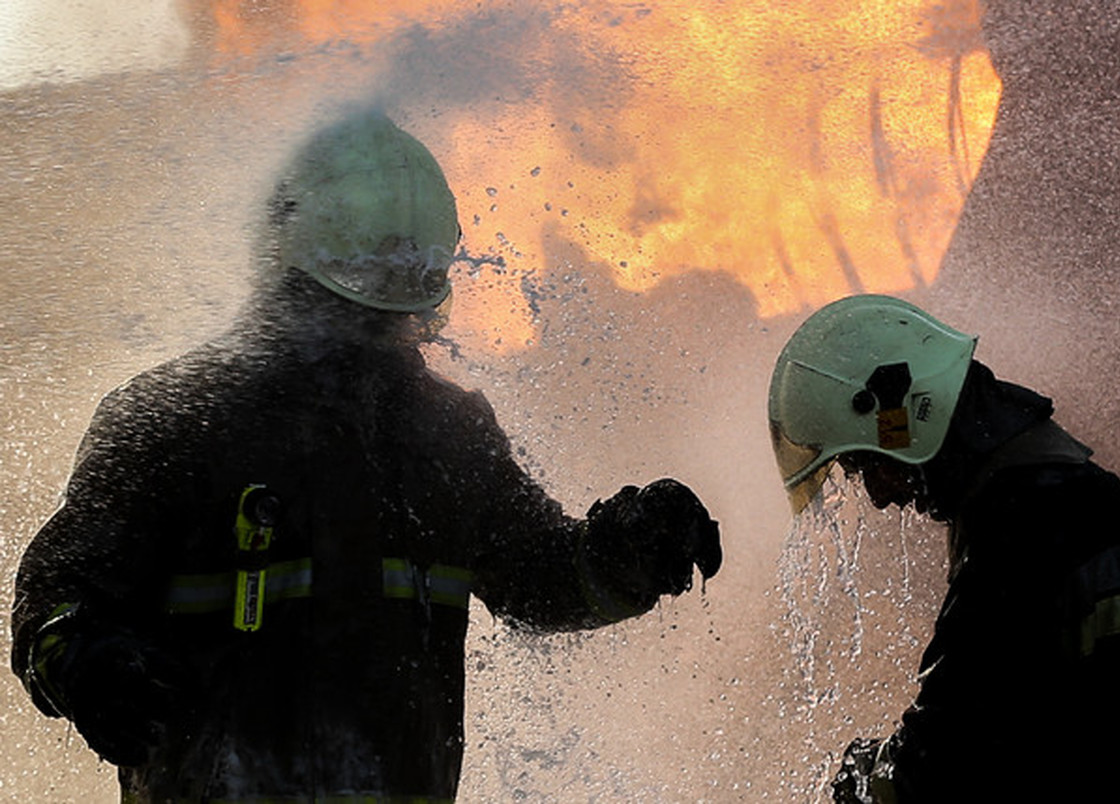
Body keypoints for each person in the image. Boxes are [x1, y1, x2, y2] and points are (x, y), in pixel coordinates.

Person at [10, 109, 722, 803]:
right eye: (352, 314)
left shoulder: (449, 434)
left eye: (396, 316)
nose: (377, 345)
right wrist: (84, 662)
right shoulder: (172, 424)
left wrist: (628, 548)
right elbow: (59, 595)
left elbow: (542, 578)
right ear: (285, 279)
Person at [768, 294, 1120, 803]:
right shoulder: (1089, 498)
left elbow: (944, 759)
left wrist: (856, 779)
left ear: (904, 413)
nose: (880, 497)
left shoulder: (1022, 527)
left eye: (867, 465)